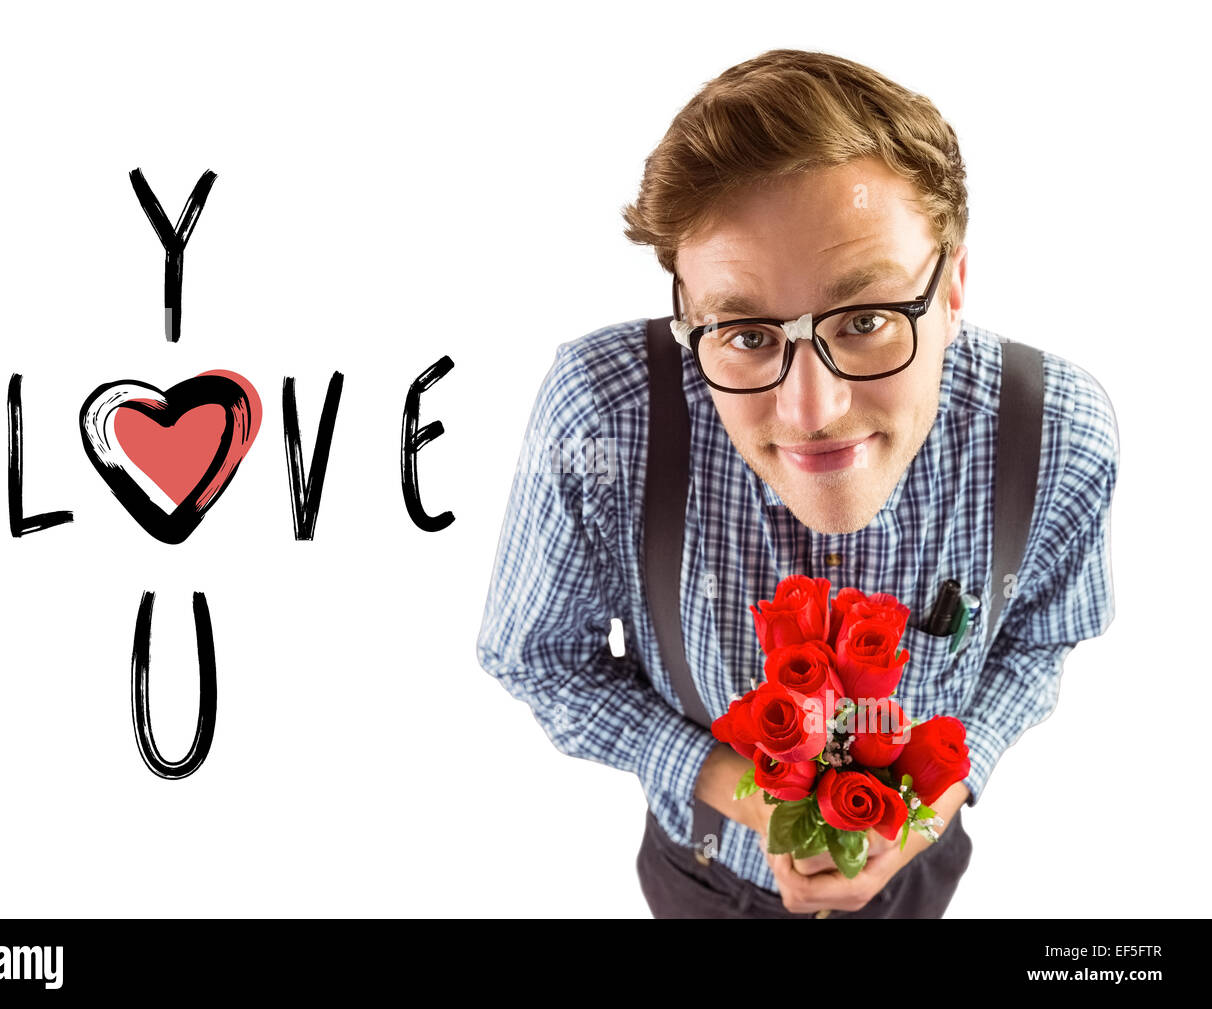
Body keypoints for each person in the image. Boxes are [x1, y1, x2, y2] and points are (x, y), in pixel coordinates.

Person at [474, 49, 1117, 918]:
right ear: (687, 310)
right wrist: (741, 791)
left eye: (865, 320)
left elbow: (1040, 642)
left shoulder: (1059, 432)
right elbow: (539, 658)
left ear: (955, 281)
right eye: (744, 331)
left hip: (920, 874)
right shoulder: (602, 416)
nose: (811, 409)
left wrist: (926, 817)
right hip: (700, 870)